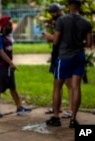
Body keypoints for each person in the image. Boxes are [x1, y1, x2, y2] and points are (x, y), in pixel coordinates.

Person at [46, 0, 92, 128]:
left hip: (65, 57)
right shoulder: (86, 22)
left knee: (57, 86)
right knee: (76, 87)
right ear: (79, 7)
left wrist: (50, 37)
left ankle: (56, 117)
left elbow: (55, 41)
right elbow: (88, 44)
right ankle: (73, 119)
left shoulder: (62, 20)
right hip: (79, 56)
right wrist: (78, 44)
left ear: (68, 6)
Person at [0, 16, 31, 118]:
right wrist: (11, 63)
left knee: (13, 88)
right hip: (0, 68)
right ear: (4, 26)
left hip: (8, 68)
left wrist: (10, 64)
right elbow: (0, 51)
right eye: (9, 25)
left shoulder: (7, 38)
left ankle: (19, 107)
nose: (11, 26)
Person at [43, 3, 73, 119]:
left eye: (52, 13)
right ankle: (57, 107)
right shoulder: (60, 20)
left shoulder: (63, 20)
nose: (51, 15)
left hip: (63, 54)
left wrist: (49, 37)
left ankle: (70, 109)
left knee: (69, 83)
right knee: (58, 82)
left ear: (55, 12)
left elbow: (59, 39)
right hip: (57, 54)